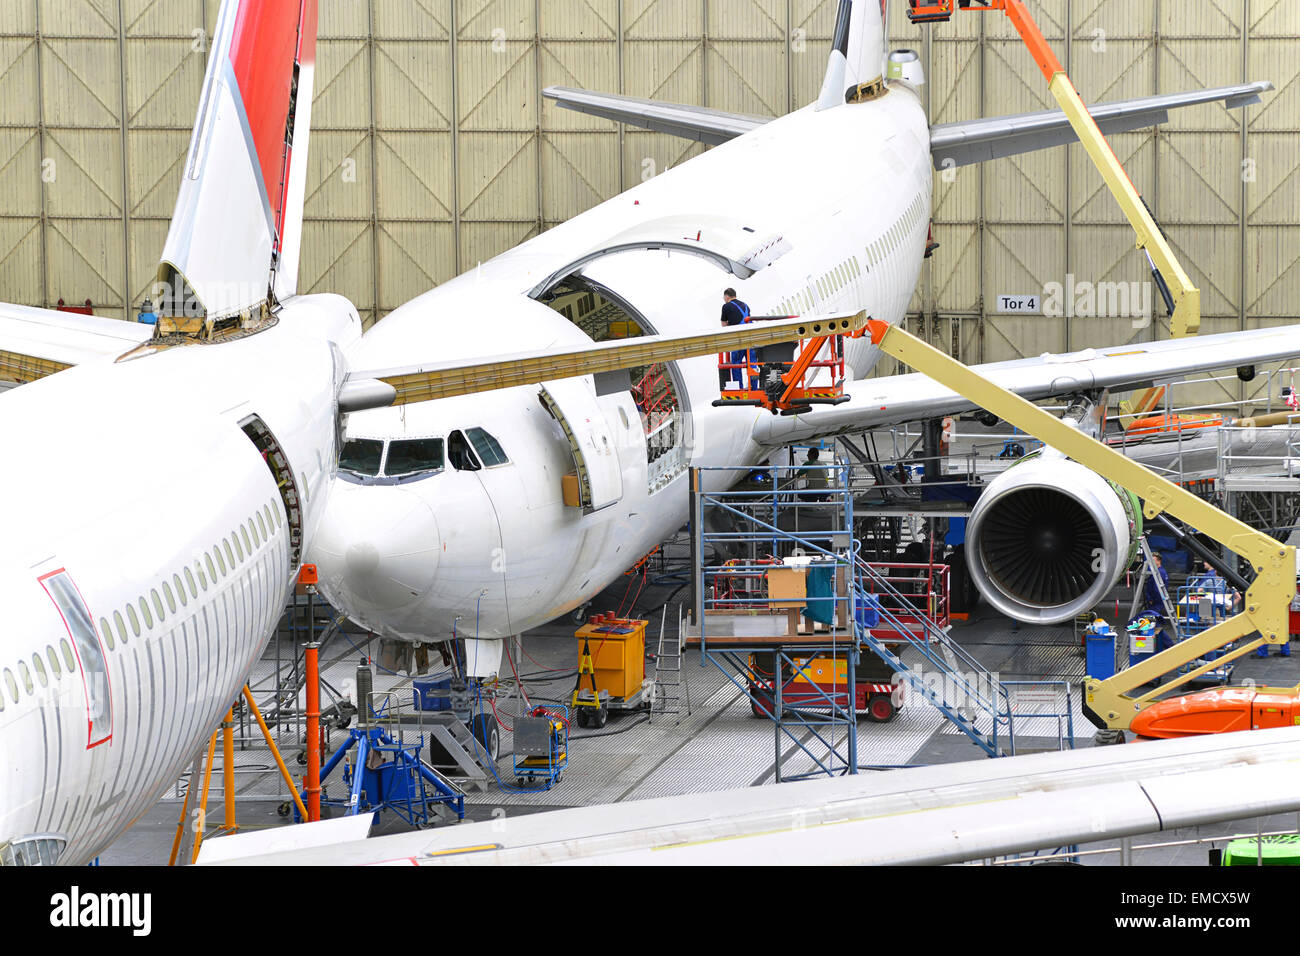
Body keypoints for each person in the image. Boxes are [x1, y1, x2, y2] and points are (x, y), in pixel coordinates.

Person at [720, 288, 751, 387]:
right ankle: (753, 387)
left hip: (739, 340)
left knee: (736, 364)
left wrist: (730, 324)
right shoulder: (746, 306)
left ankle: (739, 387)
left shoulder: (726, 306)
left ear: (727, 296)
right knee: (752, 364)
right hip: (750, 339)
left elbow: (724, 325)